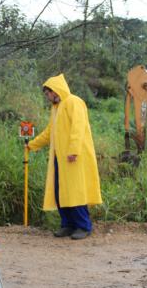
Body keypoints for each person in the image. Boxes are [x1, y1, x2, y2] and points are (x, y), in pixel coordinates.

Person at [27, 74, 101, 240]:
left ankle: (83, 226)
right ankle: (67, 225)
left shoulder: (74, 102)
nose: (47, 97)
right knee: (60, 192)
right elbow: (49, 133)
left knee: (75, 192)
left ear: (55, 91)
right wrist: (32, 145)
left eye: (48, 94)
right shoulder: (56, 108)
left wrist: (73, 151)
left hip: (74, 157)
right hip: (59, 158)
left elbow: (78, 127)